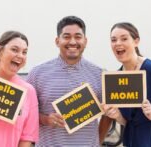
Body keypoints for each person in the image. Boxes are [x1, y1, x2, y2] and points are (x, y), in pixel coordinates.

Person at [26, 15, 112, 146]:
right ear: (57, 41)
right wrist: (45, 119)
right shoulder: (37, 73)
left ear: (85, 41)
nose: (72, 42)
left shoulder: (100, 74)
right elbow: (25, 113)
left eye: (78, 37)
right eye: (66, 36)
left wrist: (97, 142)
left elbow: (108, 114)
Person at [102, 22, 151, 147]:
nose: (118, 43)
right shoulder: (117, 77)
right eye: (113, 40)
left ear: (136, 41)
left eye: (124, 38)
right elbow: (127, 121)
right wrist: (117, 116)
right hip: (133, 141)